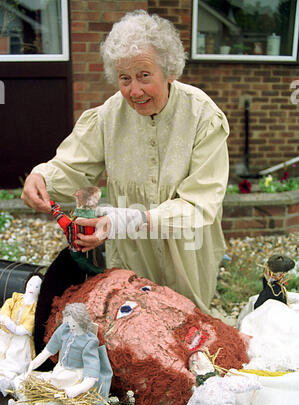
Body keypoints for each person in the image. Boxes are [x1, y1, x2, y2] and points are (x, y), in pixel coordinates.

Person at [21, 10, 230, 314]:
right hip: (132, 256)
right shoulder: (109, 116)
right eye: (125, 78)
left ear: (169, 70)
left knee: (186, 331)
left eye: (145, 76)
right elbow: (71, 168)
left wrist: (121, 221)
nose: (135, 91)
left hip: (187, 256)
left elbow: (199, 206)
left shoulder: (203, 118)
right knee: (132, 328)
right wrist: (42, 178)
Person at [8, 302, 101, 405]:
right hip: (58, 371)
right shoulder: (65, 329)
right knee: (26, 380)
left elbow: (91, 376)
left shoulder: (90, 341)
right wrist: (34, 363)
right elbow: (49, 350)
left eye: (73, 325)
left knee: (57, 401)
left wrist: (76, 389)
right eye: (68, 324)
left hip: (73, 376)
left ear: (81, 322)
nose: (70, 328)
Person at [0, 273, 43, 398]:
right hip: (5, 334)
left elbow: (24, 329)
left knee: (14, 361)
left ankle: (7, 383)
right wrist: (5, 320)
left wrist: (12, 326)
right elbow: (4, 313)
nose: (32, 289)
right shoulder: (15, 299)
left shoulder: (35, 308)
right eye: (30, 284)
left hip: (20, 340)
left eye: (37, 287)